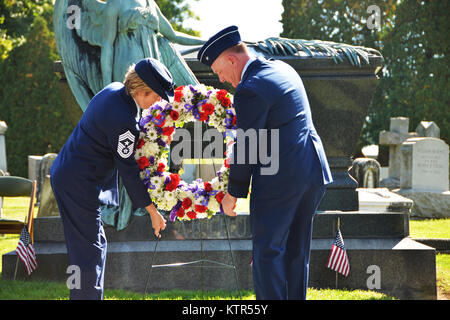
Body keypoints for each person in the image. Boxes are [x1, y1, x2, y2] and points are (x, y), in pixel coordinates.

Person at [197, 26, 333, 300]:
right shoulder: (283, 69)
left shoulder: (251, 88)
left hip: (281, 180)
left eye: (219, 71)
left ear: (232, 60)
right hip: (313, 173)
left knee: (267, 254)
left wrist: (233, 192)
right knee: (296, 253)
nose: (222, 79)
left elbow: (249, 144)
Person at [50, 58, 170, 300]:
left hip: (70, 175)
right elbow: (127, 170)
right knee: (88, 252)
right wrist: (152, 211)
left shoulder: (113, 89)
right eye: (156, 95)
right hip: (78, 183)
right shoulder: (124, 121)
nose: (158, 101)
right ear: (140, 90)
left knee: (93, 245)